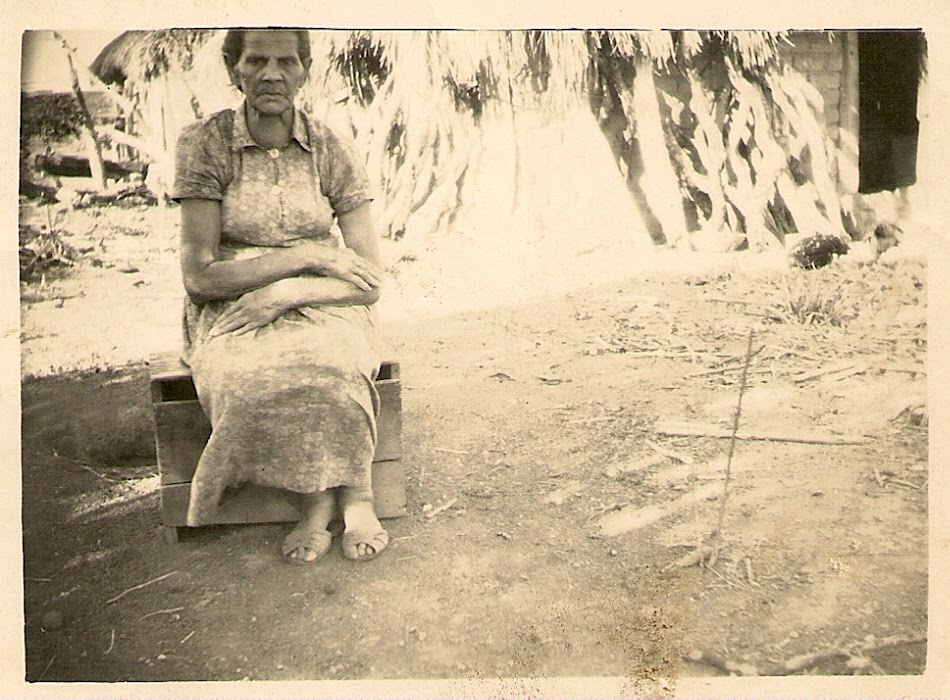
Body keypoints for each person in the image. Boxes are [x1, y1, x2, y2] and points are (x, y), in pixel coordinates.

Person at [172, 28, 389, 564]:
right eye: (257, 61)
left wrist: (291, 290)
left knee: (335, 365)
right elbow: (200, 276)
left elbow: (369, 278)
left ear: (304, 70)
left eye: (287, 62)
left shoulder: (330, 146)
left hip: (322, 297)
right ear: (234, 69)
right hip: (234, 303)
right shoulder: (205, 143)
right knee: (249, 380)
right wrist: (302, 256)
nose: (272, 74)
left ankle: (358, 496)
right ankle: (312, 502)